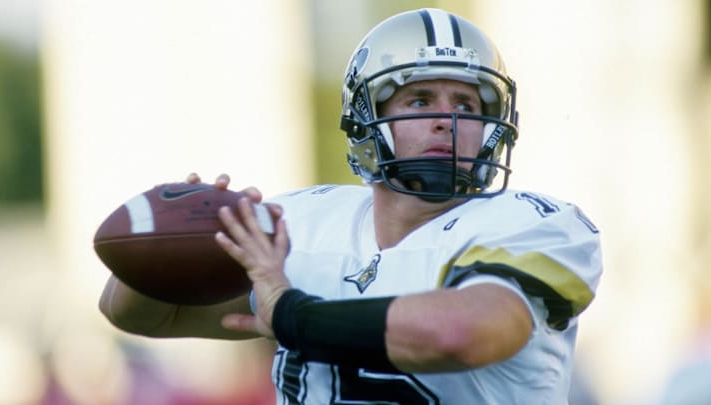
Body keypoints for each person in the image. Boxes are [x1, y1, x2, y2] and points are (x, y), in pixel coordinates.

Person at [99, 8, 602, 404]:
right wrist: (178, 236)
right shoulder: (301, 224)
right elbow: (142, 317)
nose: (447, 119)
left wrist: (292, 313)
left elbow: (461, 334)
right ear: (365, 119)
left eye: (467, 105)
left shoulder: (530, 224)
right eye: (421, 100)